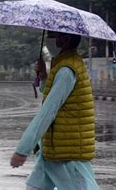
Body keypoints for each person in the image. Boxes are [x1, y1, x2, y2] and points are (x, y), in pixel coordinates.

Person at [10, 31, 99, 190]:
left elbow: (48, 112)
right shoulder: (63, 64)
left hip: (67, 152)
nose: (49, 40)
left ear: (65, 39)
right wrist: (44, 76)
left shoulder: (67, 70)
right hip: (52, 149)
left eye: (52, 36)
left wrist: (23, 149)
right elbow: (55, 95)